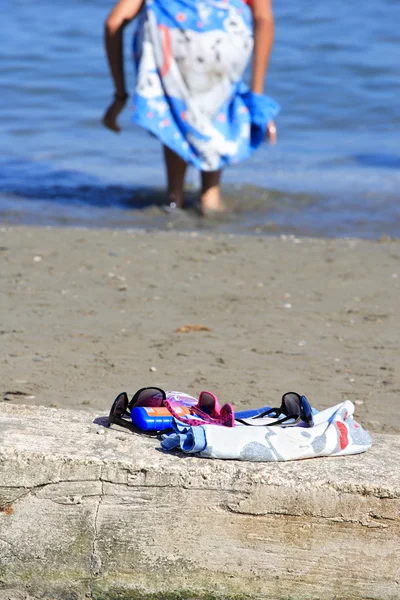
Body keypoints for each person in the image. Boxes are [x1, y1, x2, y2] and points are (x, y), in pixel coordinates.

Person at [103, 0, 279, 213]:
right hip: (224, 40)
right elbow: (263, 18)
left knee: (176, 110)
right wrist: (256, 97)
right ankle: (210, 198)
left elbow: (113, 23)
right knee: (215, 109)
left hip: (172, 38)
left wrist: (120, 95)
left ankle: (174, 198)